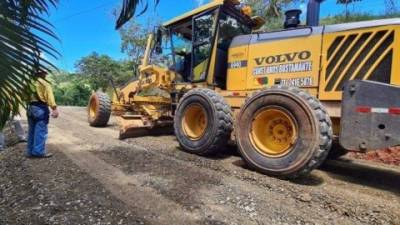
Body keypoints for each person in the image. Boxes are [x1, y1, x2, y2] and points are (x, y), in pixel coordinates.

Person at [26, 70, 59, 158]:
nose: (45, 74)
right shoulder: (45, 83)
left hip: (30, 108)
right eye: (45, 73)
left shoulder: (29, 83)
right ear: (42, 74)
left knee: (31, 131)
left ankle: (29, 152)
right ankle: (38, 152)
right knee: (40, 131)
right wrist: (54, 109)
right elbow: (49, 96)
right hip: (40, 108)